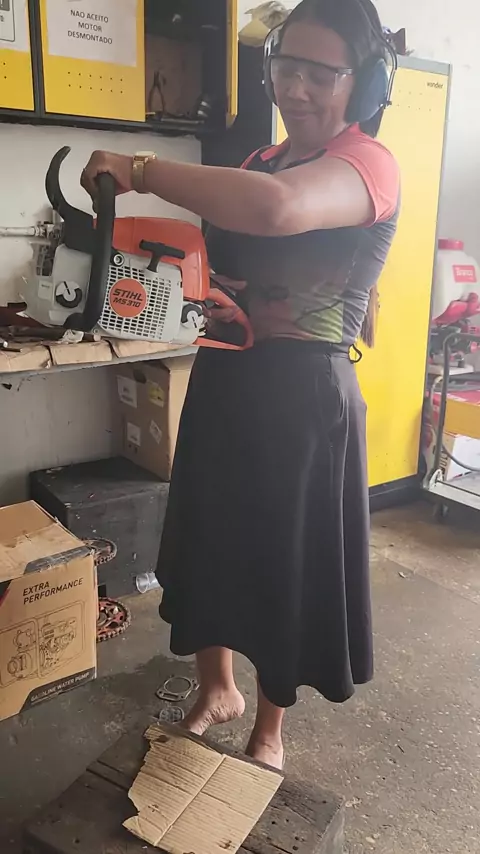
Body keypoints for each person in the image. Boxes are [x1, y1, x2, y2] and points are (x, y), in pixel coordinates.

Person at [81, 0, 400, 770]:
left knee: (281, 560)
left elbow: (280, 212)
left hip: (303, 400)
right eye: (285, 66)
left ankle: (269, 729)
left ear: (361, 83)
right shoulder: (260, 160)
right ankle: (216, 689)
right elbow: (240, 245)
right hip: (228, 376)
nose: (296, 87)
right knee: (211, 539)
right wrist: (217, 294)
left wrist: (141, 170)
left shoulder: (367, 164)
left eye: (321, 73)